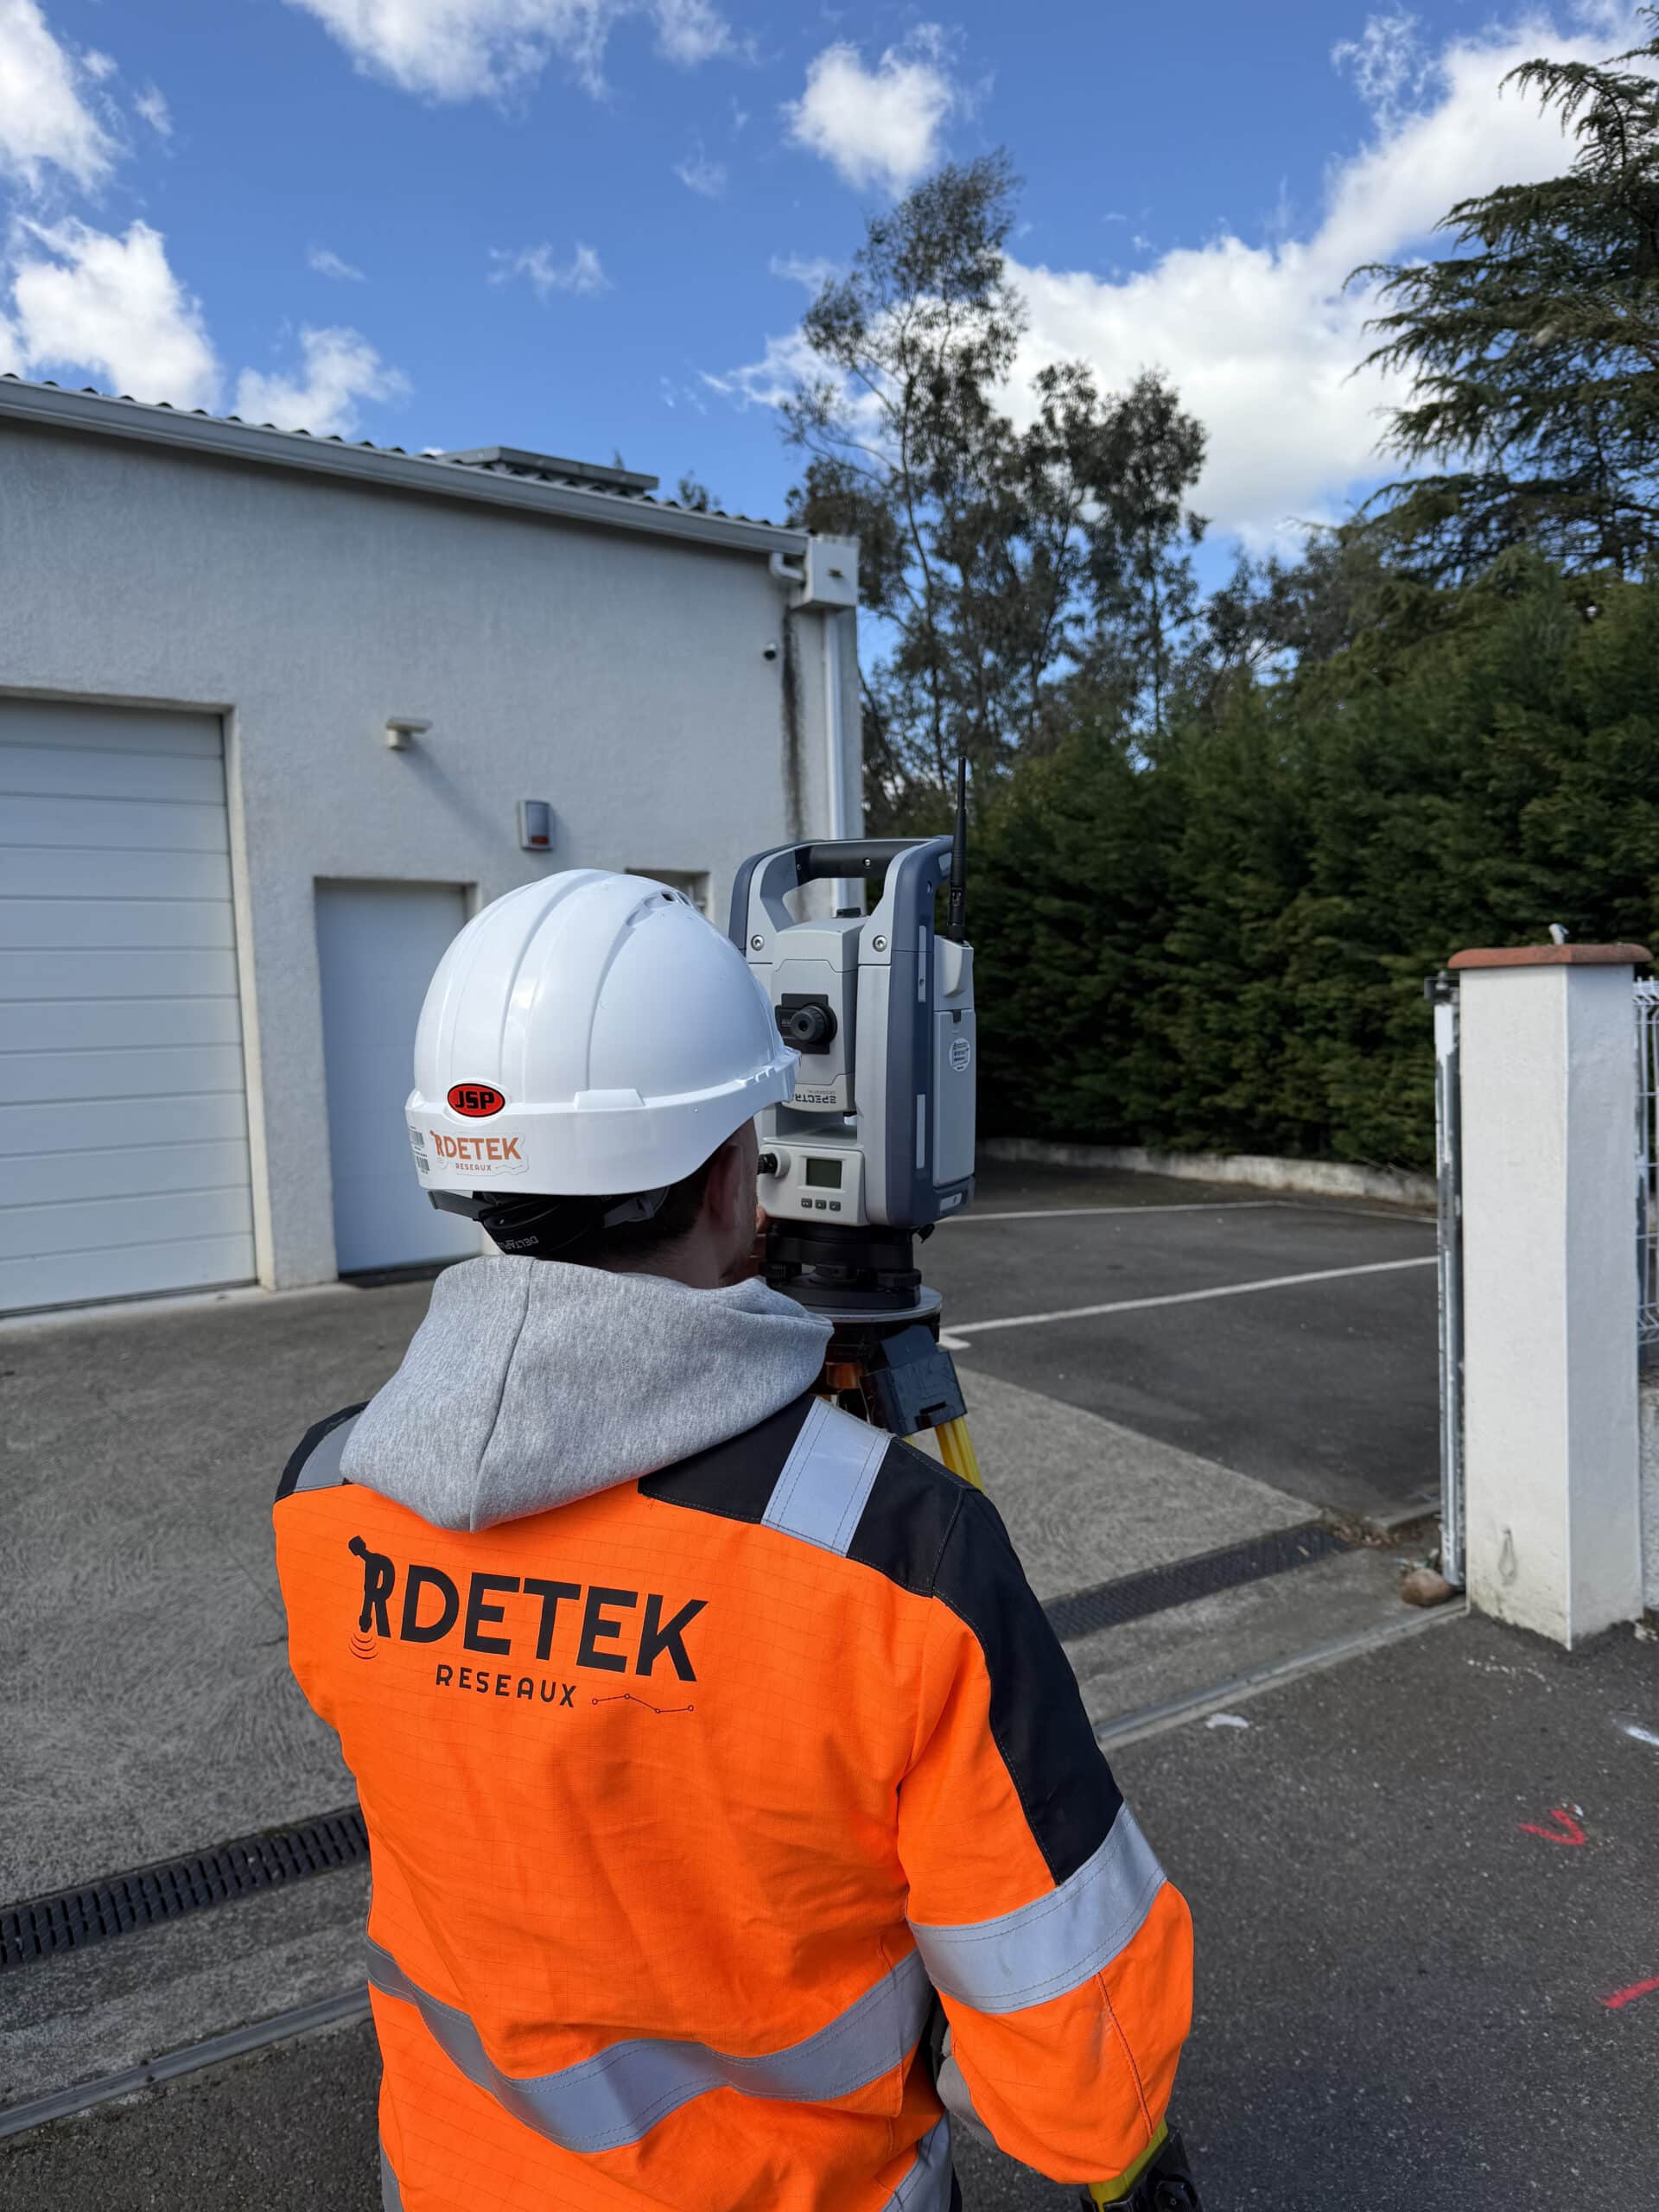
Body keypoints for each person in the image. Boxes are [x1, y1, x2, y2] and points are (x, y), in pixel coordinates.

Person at [275, 869, 1194, 2212]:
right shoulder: (897, 1556)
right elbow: (1079, 2065)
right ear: (728, 1175)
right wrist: (1126, 2165)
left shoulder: (323, 1499)